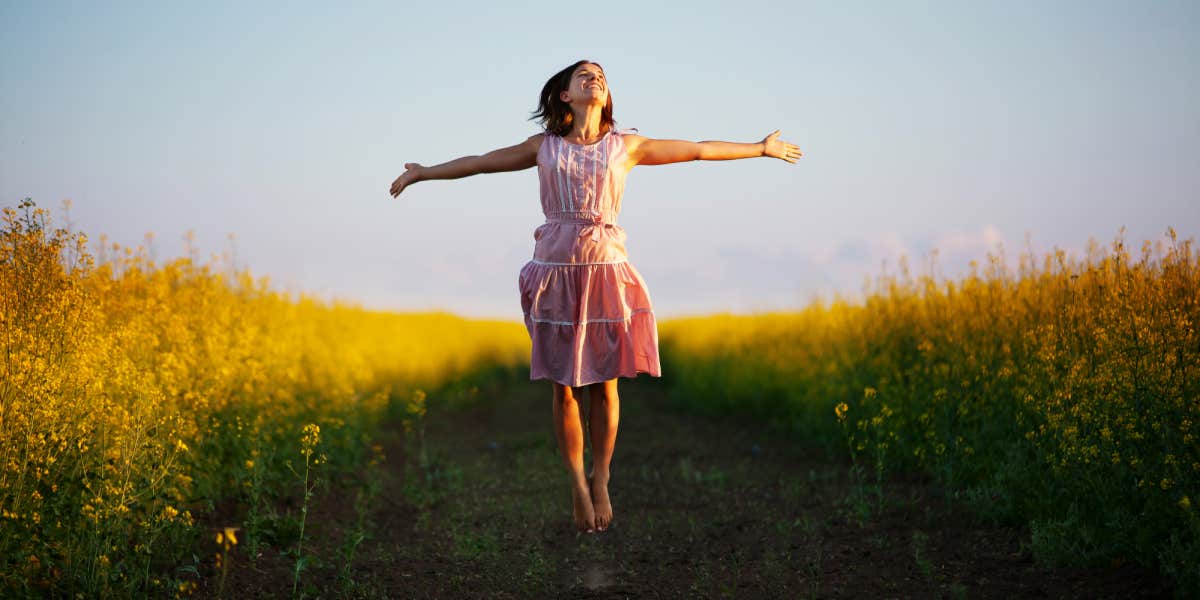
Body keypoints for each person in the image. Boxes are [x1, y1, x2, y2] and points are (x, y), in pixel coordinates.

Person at [389, 59, 802, 534]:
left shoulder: (625, 147)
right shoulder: (542, 148)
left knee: (606, 383)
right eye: (585, 75)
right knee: (564, 389)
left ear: (606, 97)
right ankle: (576, 484)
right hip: (555, 275)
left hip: (606, 272)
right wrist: (423, 172)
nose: (596, 79)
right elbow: (481, 163)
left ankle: (601, 476)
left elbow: (699, 150)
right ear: (564, 95)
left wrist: (761, 148)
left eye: (601, 76)